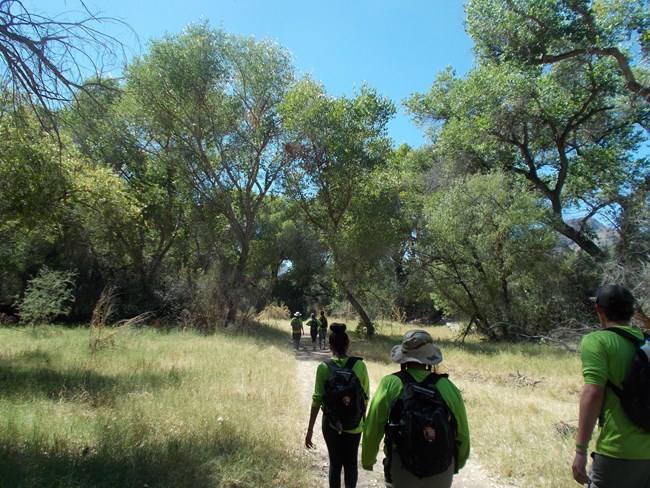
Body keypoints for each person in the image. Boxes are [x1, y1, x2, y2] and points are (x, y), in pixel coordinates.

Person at [362, 329, 470, 488]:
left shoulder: (390, 383)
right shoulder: (447, 386)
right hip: (441, 468)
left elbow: (373, 426)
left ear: (403, 357)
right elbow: (461, 432)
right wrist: (457, 462)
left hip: (402, 466)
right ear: (430, 359)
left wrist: (368, 459)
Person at [572, 284, 650, 487]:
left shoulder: (597, 341)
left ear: (599, 309)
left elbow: (593, 393)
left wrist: (580, 450)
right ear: (632, 311)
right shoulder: (646, 342)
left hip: (617, 448)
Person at [305, 323, 370, 488]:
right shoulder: (360, 366)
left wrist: (310, 430)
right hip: (355, 426)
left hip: (331, 424)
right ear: (347, 345)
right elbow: (365, 398)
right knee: (351, 463)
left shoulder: (324, 367)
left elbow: (317, 399)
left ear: (330, 345)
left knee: (335, 463)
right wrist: (363, 423)